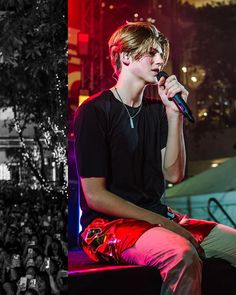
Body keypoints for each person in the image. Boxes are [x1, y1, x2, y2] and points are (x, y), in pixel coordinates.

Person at [74, 21, 236, 295]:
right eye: (151, 53)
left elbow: (173, 174)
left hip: (158, 217)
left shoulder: (157, 111)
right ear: (125, 56)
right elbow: (95, 196)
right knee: (181, 254)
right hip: (106, 227)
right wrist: (164, 224)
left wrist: (174, 116)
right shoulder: (94, 111)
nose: (160, 60)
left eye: (162, 53)